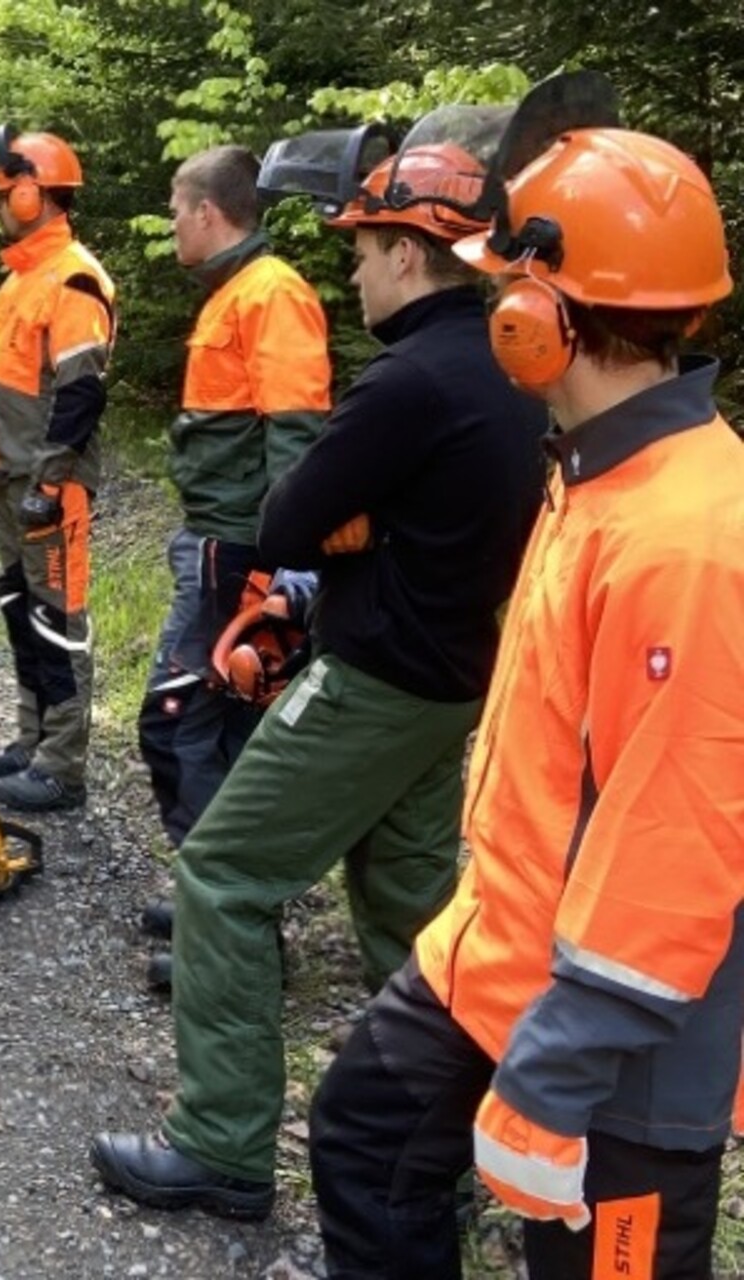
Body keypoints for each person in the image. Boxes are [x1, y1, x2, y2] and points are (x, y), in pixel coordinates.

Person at [307, 123, 744, 1278]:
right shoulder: (597, 468)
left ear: (540, 318)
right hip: (497, 947)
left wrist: (551, 1079)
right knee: (364, 1136)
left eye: (505, 285)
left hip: (620, 1042)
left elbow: (676, 848)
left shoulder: (690, 539)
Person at [89, 135, 550, 1221]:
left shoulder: (409, 381)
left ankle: (222, 1145)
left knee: (223, 876)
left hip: (377, 681)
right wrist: (376, 527)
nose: (350, 270)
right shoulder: (506, 363)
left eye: (362, 249)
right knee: (412, 910)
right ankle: (451, 1151)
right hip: (457, 682)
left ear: (405, 250)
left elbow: (285, 517)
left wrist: (350, 532)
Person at [137, 144, 332, 846]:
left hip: (241, 551)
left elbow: (297, 432)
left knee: (181, 719)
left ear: (207, 211)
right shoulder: (236, 292)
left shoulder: (271, 293)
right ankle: (219, 906)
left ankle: (214, 909)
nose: (172, 228)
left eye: (175, 214)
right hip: (216, 542)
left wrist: (291, 562)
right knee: (216, 727)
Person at [0, 124, 118, 814]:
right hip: (11, 476)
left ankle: (62, 765)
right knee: (22, 610)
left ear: (31, 194)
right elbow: (2, 383)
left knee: (57, 620)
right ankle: (32, 739)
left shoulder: (73, 277)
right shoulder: (22, 279)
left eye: (2, 193)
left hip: (49, 484)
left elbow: (80, 394)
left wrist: (50, 483)